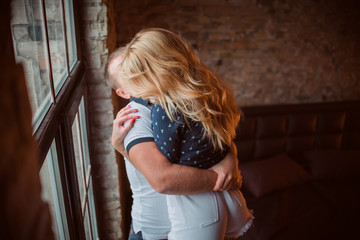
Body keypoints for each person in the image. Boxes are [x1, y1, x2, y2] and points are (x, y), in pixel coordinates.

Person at [107, 28, 253, 240]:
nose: (141, 77)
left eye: (141, 69)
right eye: (131, 75)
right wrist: (222, 177)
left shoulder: (172, 100)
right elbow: (163, 179)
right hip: (155, 233)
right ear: (124, 92)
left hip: (191, 220)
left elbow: (211, 136)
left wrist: (230, 156)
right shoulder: (135, 117)